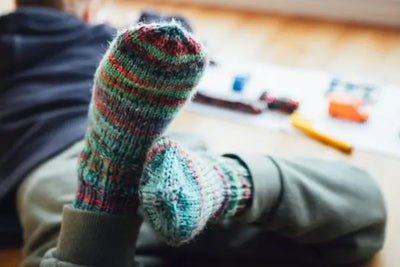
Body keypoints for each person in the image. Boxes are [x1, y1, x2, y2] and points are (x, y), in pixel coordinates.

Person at [0, 0, 386, 266]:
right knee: (360, 225)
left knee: (76, 245)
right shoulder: (97, 34)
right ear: (87, 12)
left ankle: (106, 185)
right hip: (165, 167)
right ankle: (221, 184)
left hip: (57, 167)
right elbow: (173, 31)